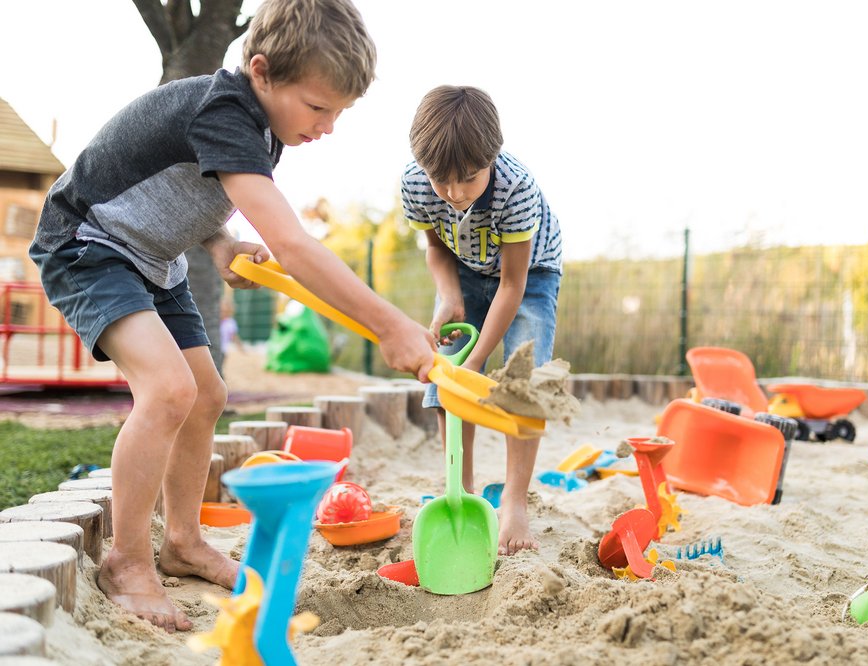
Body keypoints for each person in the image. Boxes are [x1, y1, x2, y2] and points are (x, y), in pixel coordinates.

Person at [29, 0, 435, 633]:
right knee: (168, 390)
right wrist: (390, 325)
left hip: (153, 258)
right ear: (263, 70)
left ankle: (183, 541)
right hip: (89, 245)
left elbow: (184, 185)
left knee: (207, 395)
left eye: (340, 113)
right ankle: (127, 560)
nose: (327, 127)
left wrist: (219, 242)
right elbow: (294, 244)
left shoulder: (263, 125)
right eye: (319, 107)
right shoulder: (224, 108)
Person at [401, 85, 563, 556]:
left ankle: (514, 500)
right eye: (441, 180)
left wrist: (479, 360)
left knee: (524, 383)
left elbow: (513, 285)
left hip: (530, 275)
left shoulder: (515, 187)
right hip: (465, 269)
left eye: (468, 180)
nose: (453, 193)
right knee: (446, 377)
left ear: (490, 158)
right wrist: (449, 296)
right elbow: (435, 248)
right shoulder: (415, 182)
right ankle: (463, 489)